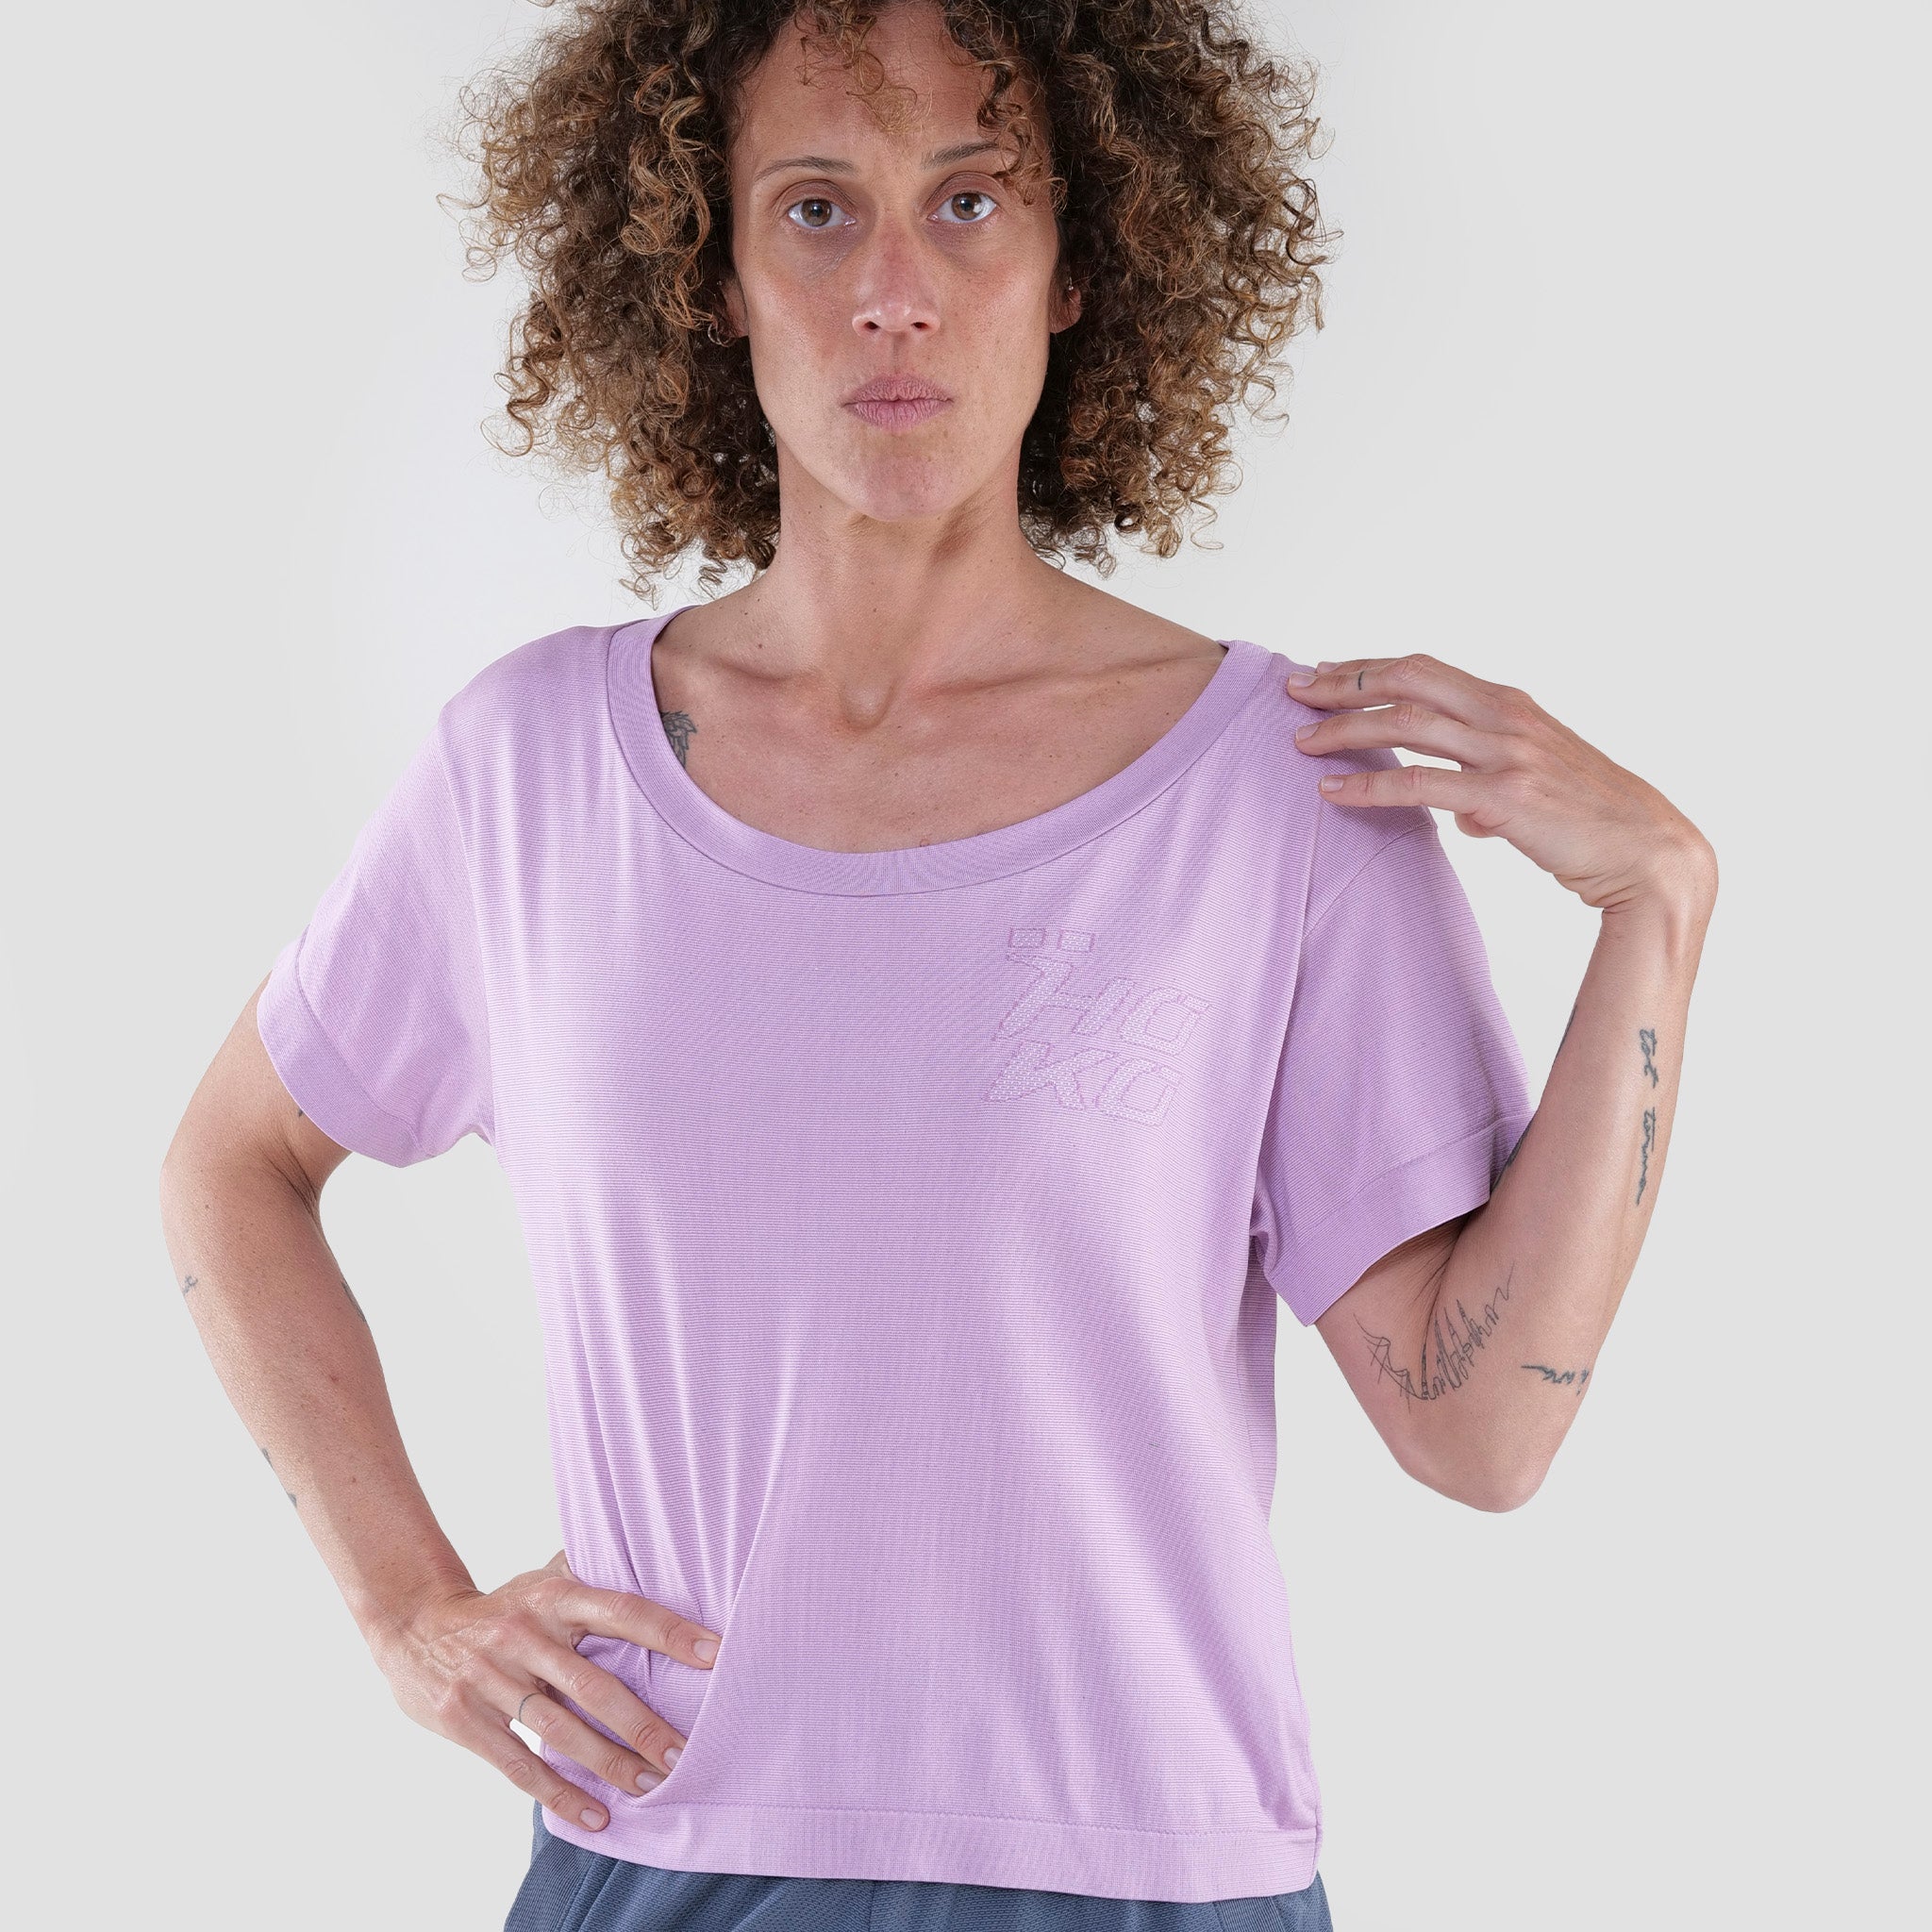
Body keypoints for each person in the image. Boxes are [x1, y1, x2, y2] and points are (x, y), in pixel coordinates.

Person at [158, 2, 1717, 1926]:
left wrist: (1657, 908)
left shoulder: (1283, 792)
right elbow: (232, 1159)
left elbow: (1482, 1429)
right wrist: (406, 1604)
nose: (893, 291)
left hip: (1145, 1883)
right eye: (816, 210)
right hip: (666, 1859)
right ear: (712, 275)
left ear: (1078, 266)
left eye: (969, 201)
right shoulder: (530, 771)